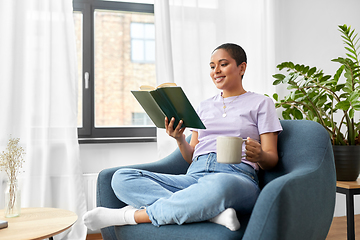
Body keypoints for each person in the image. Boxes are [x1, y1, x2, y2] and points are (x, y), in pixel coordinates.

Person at [83, 43, 282, 232]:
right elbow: (191, 156)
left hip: (235, 177)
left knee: (219, 186)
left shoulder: (261, 103)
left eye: (223, 64)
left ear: (242, 67)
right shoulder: (204, 106)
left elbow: (271, 159)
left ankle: (130, 216)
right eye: (212, 66)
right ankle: (210, 213)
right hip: (194, 177)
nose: (216, 71)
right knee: (122, 178)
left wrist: (259, 155)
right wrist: (179, 139)